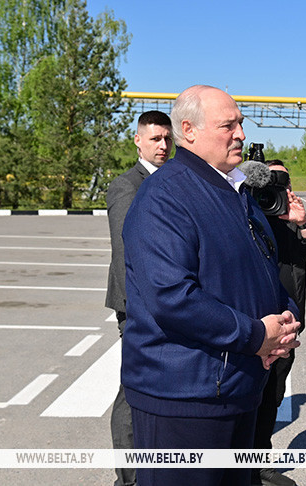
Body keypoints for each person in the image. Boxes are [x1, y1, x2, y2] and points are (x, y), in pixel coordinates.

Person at [121, 85, 301, 486]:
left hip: (236, 385)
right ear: (189, 130)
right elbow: (173, 298)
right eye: (228, 125)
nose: (240, 133)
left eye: (241, 123)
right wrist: (256, 334)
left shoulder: (234, 190)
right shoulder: (165, 196)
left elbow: (263, 268)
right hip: (184, 398)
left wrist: (286, 322)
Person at [250, 159, 306, 486]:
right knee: (246, 398)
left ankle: (259, 463)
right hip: (254, 328)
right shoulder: (248, 215)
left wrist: (302, 221)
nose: (276, 189)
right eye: (271, 181)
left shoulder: (294, 219)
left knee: (273, 397)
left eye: (282, 182)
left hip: (288, 328)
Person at [104, 110, 172, 486]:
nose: (163, 146)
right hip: (138, 306)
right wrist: (141, 309)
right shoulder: (127, 185)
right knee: (132, 390)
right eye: (155, 139)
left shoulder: (173, 180)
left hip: (164, 303)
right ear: (138, 140)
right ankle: (129, 478)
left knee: (156, 386)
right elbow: (125, 252)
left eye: (167, 139)